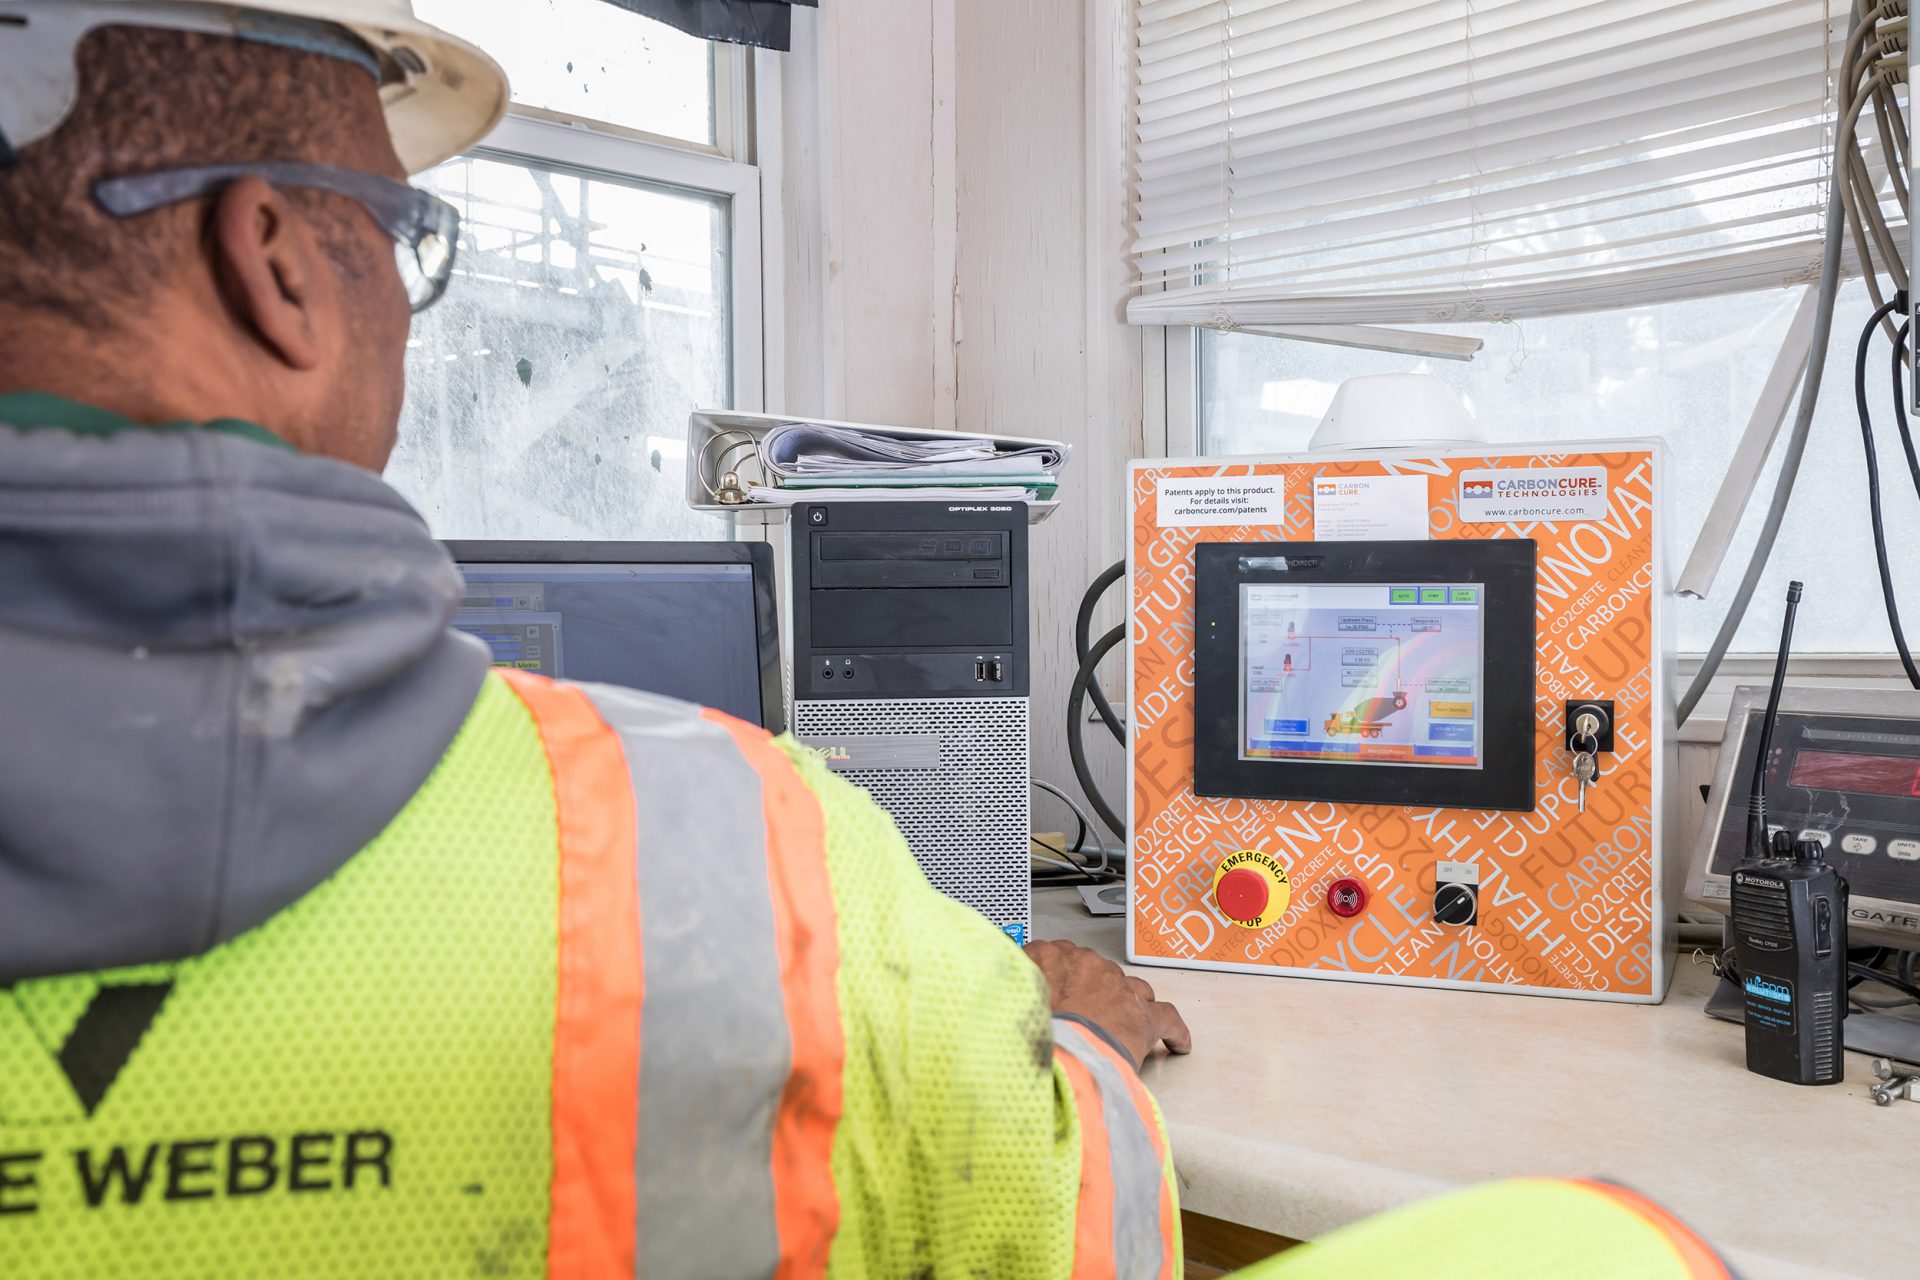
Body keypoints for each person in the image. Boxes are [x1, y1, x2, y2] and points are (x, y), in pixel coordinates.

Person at [0, 3, 1189, 1276]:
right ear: (276, 262)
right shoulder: (756, 859)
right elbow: (1076, 1230)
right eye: (400, 233)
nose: (405, 312)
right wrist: (1082, 1046)